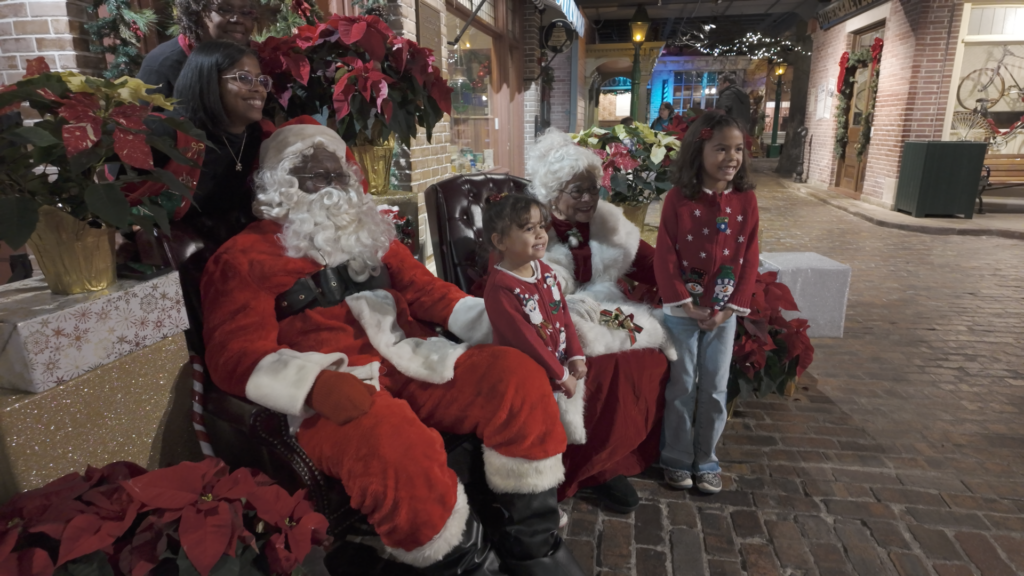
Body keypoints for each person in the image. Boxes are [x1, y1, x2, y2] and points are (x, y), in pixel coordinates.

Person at [200, 123, 587, 576]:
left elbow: (431, 294)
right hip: (336, 392)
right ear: (278, 184)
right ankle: (463, 563)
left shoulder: (371, 236)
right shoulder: (240, 259)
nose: (329, 187)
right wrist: (313, 385)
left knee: (514, 376)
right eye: (311, 176)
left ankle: (532, 544)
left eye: (336, 175)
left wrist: (513, 325)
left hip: (409, 360)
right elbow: (233, 354)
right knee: (390, 438)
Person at [515, 129, 676, 512]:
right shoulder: (532, 227)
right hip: (554, 316)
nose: (589, 199)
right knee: (595, 363)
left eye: (593, 189)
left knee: (650, 350)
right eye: (578, 191)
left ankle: (615, 455)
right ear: (554, 194)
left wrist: (686, 280)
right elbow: (509, 275)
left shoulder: (608, 223)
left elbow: (649, 262)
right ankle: (590, 467)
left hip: (607, 308)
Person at [654, 110, 760, 494]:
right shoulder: (678, 200)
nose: (731, 157)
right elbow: (664, 254)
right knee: (682, 385)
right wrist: (684, 303)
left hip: (723, 313)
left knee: (715, 388)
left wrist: (729, 308)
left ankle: (706, 459)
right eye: (721, 149)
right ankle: (677, 458)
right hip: (682, 313)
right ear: (699, 150)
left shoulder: (746, 201)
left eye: (738, 149)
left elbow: (749, 256)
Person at [483, 193, 588, 447]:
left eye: (541, 225)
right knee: (540, 437)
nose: (541, 234)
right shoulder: (501, 288)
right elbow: (526, 340)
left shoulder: (546, 271)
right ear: (501, 241)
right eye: (529, 229)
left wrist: (575, 354)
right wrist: (561, 375)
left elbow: (563, 313)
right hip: (529, 382)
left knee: (566, 430)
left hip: (558, 372)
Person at [137, 0, 258, 99]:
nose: (238, 19)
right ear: (195, 13)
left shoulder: (257, 58)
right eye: (224, 10)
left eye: (246, 12)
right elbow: (143, 124)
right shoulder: (161, 64)